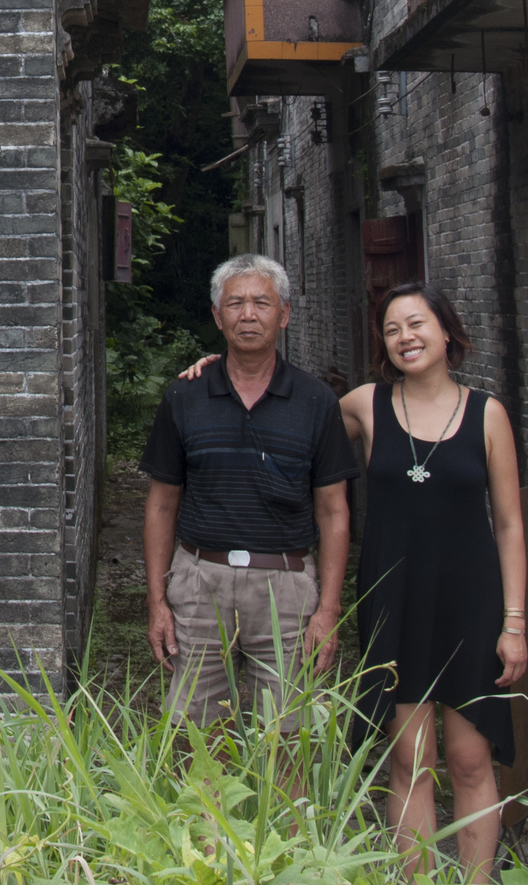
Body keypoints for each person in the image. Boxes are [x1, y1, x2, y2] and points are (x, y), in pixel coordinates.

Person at [347, 283, 527, 881]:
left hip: (471, 605)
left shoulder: (488, 413)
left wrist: (515, 623)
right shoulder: (365, 405)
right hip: (395, 602)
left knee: (472, 761)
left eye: (417, 323)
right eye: (393, 329)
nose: (405, 337)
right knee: (410, 761)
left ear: (446, 331)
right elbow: (284, 406)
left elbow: (507, 524)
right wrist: (218, 364)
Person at [141, 254, 357, 733]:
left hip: (285, 586)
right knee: (194, 736)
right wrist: (157, 600)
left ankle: (283, 812)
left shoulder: (317, 401)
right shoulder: (185, 397)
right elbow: (161, 504)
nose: (248, 314)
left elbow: (334, 511)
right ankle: (203, 813)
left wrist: (328, 608)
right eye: (234, 303)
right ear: (217, 316)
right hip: (199, 581)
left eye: (262, 302)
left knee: (286, 737)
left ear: (284, 314)